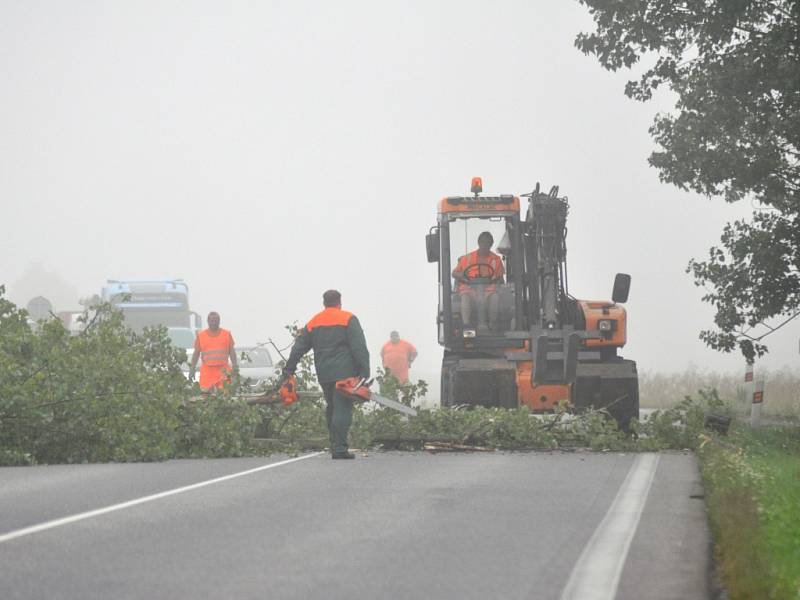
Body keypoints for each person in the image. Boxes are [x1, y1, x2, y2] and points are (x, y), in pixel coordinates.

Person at [282, 290, 370, 460]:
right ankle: (339, 449)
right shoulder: (348, 319)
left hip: (324, 373)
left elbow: (299, 347)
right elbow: (359, 348)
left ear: (324, 303)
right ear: (339, 302)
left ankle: (334, 444)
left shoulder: (314, 322)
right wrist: (364, 373)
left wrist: (289, 369)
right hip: (345, 373)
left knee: (332, 406)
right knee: (342, 408)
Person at [452, 231, 505, 330]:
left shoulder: (496, 260)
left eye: (488, 243)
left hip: (488, 290)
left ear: (491, 244)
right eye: (483, 242)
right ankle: (466, 326)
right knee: (465, 297)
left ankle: (492, 325)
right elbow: (454, 273)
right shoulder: (467, 258)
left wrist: (496, 283)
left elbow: (501, 279)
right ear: (478, 242)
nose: (485, 245)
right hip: (470, 289)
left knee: (495, 298)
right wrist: (463, 277)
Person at [189, 311, 238, 391]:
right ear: (208, 321)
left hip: (223, 371)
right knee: (205, 395)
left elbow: (232, 352)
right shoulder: (201, 336)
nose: (214, 323)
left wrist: (235, 366)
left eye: (216, 320)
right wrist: (192, 368)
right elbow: (196, 353)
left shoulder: (226, 334)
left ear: (219, 321)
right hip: (207, 372)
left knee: (225, 394)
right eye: (212, 321)